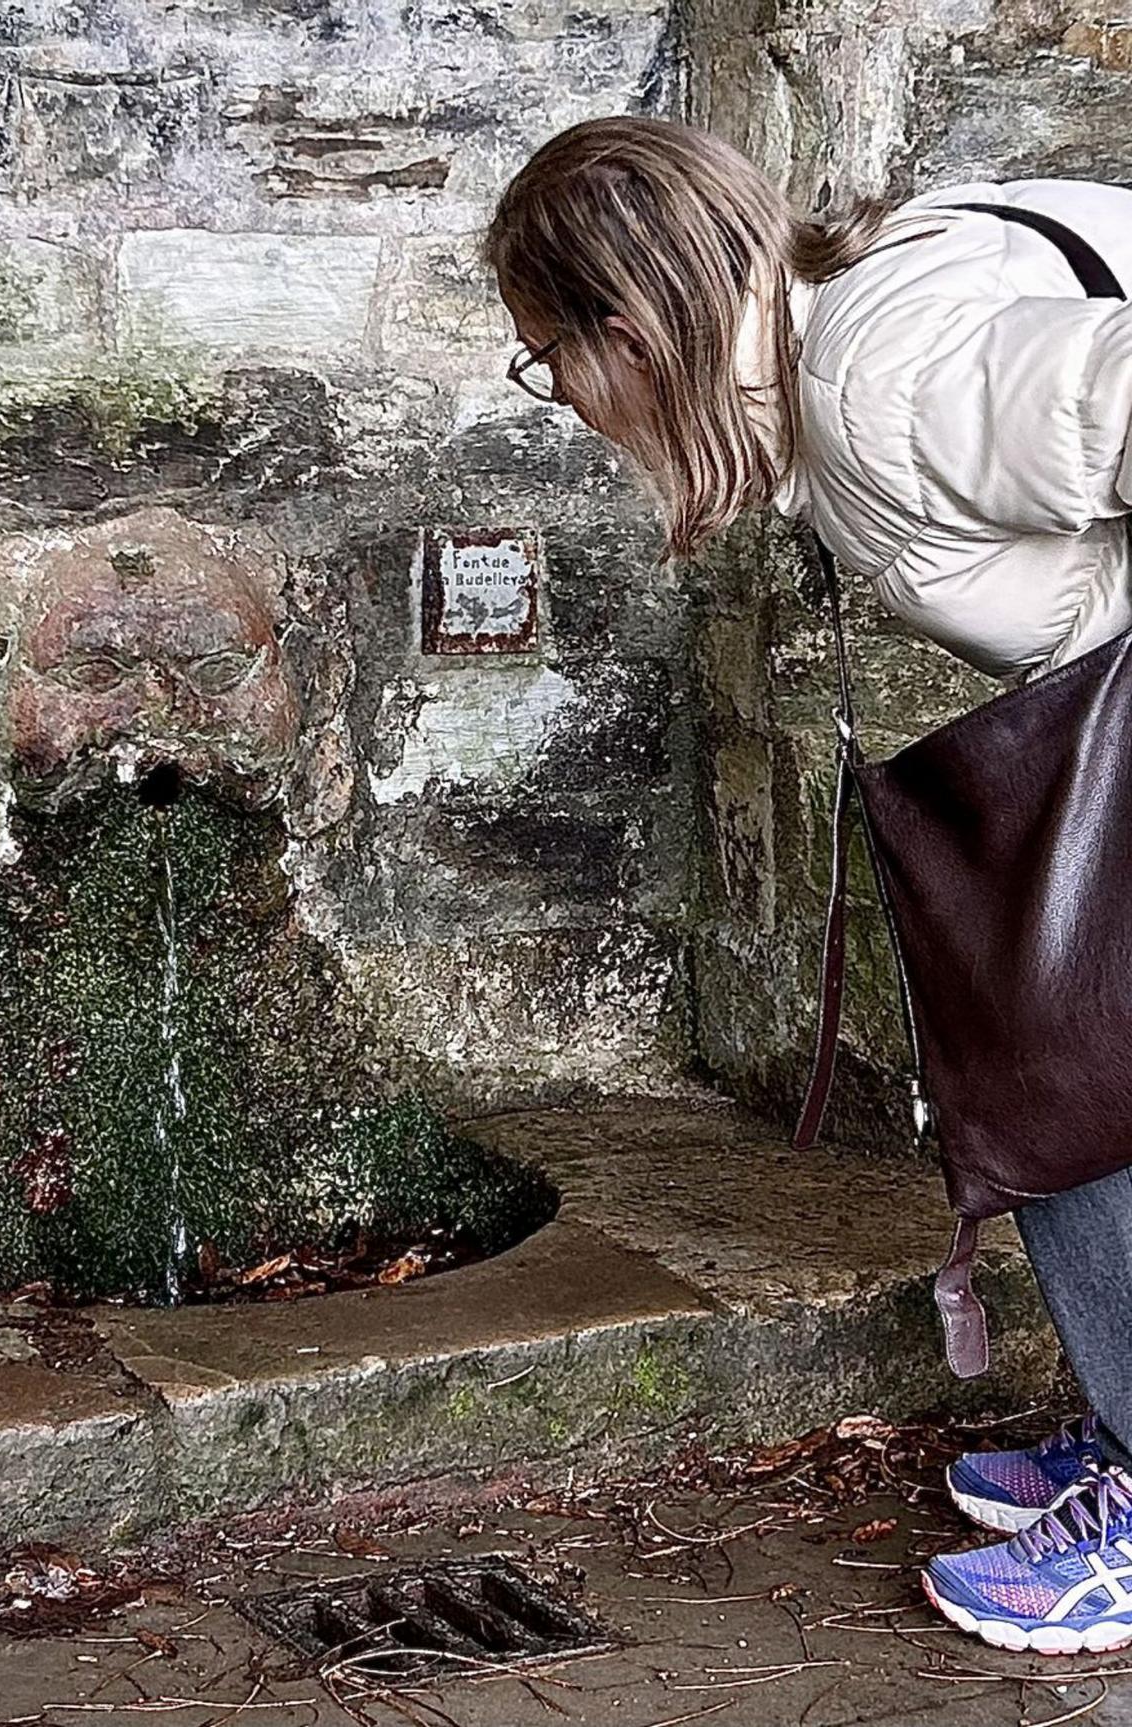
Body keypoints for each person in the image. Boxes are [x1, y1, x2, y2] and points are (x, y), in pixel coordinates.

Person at [484, 113, 1132, 1658]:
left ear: (630, 327)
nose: (560, 402)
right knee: (1051, 1045)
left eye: (543, 357)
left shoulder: (885, 373)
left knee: (1086, 1072)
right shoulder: (854, 338)